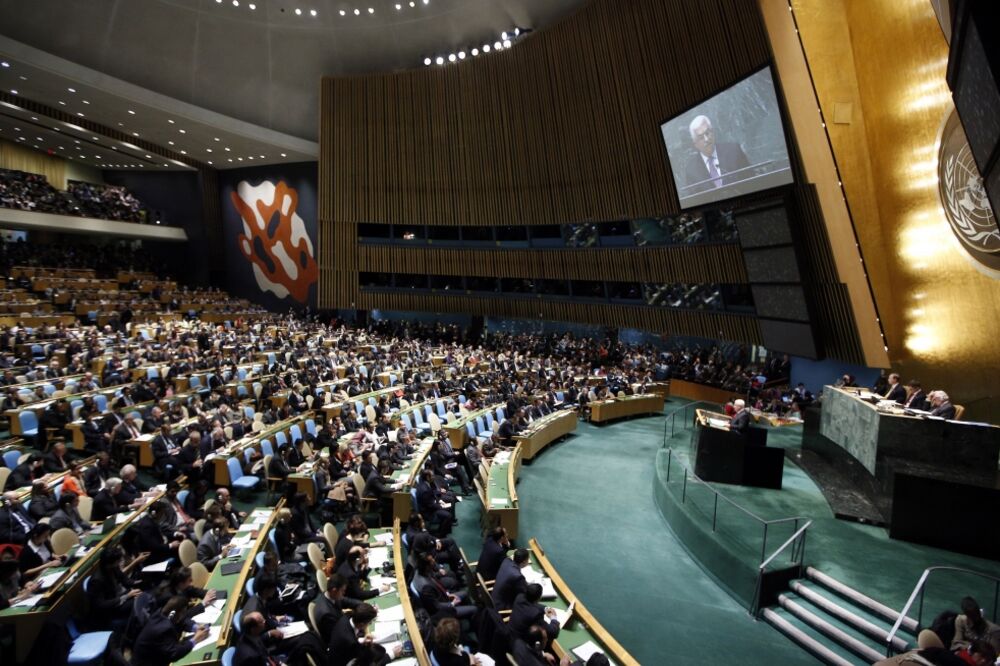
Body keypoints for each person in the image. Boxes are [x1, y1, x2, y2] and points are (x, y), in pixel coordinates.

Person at [683, 115, 751, 196]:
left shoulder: (734, 151)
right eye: (701, 137)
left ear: (713, 132)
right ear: (695, 143)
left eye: (707, 133)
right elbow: (695, 200)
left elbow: (751, 180)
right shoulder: (691, 170)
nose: (706, 139)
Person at [132, 595, 209, 666]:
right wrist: (195, 640)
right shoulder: (163, 630)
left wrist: (195, 627)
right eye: (183, 612)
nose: (183, 615)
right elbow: (174, 654)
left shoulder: (162, 613)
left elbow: (182, 621)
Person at [328, 602, 400, 666]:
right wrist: (391, 655)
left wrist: (361, 641)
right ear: (362, 624)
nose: (369, 624)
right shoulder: (351, 642)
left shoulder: (347, 616)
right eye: (369, 623)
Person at [312, 573, 360, 644]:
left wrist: (363, 605)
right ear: (334, 590)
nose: (344, 593)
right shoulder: (327, 614)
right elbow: (339, 635)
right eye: (342, 590)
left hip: (342, 628)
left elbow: (347, 601)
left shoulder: (329, 595)